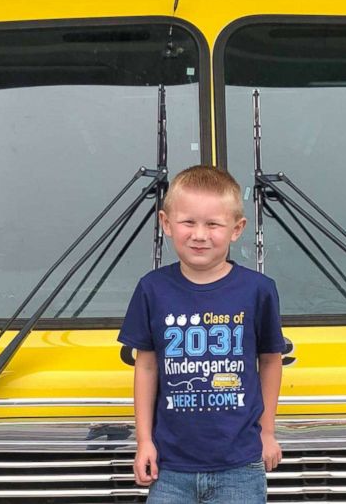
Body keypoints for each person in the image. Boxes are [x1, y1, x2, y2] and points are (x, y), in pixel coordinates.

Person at [118, 165, 284, 504]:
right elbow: (146, 367)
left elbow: (270, 360)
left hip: (240, 467)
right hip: (170, 469)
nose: (199, 234)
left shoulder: (259, 291)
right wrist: (144, 442)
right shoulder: (152, 289)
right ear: (166, 223)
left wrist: (267, 432)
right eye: (188, 222)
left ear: (237, 229)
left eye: (213, 224)